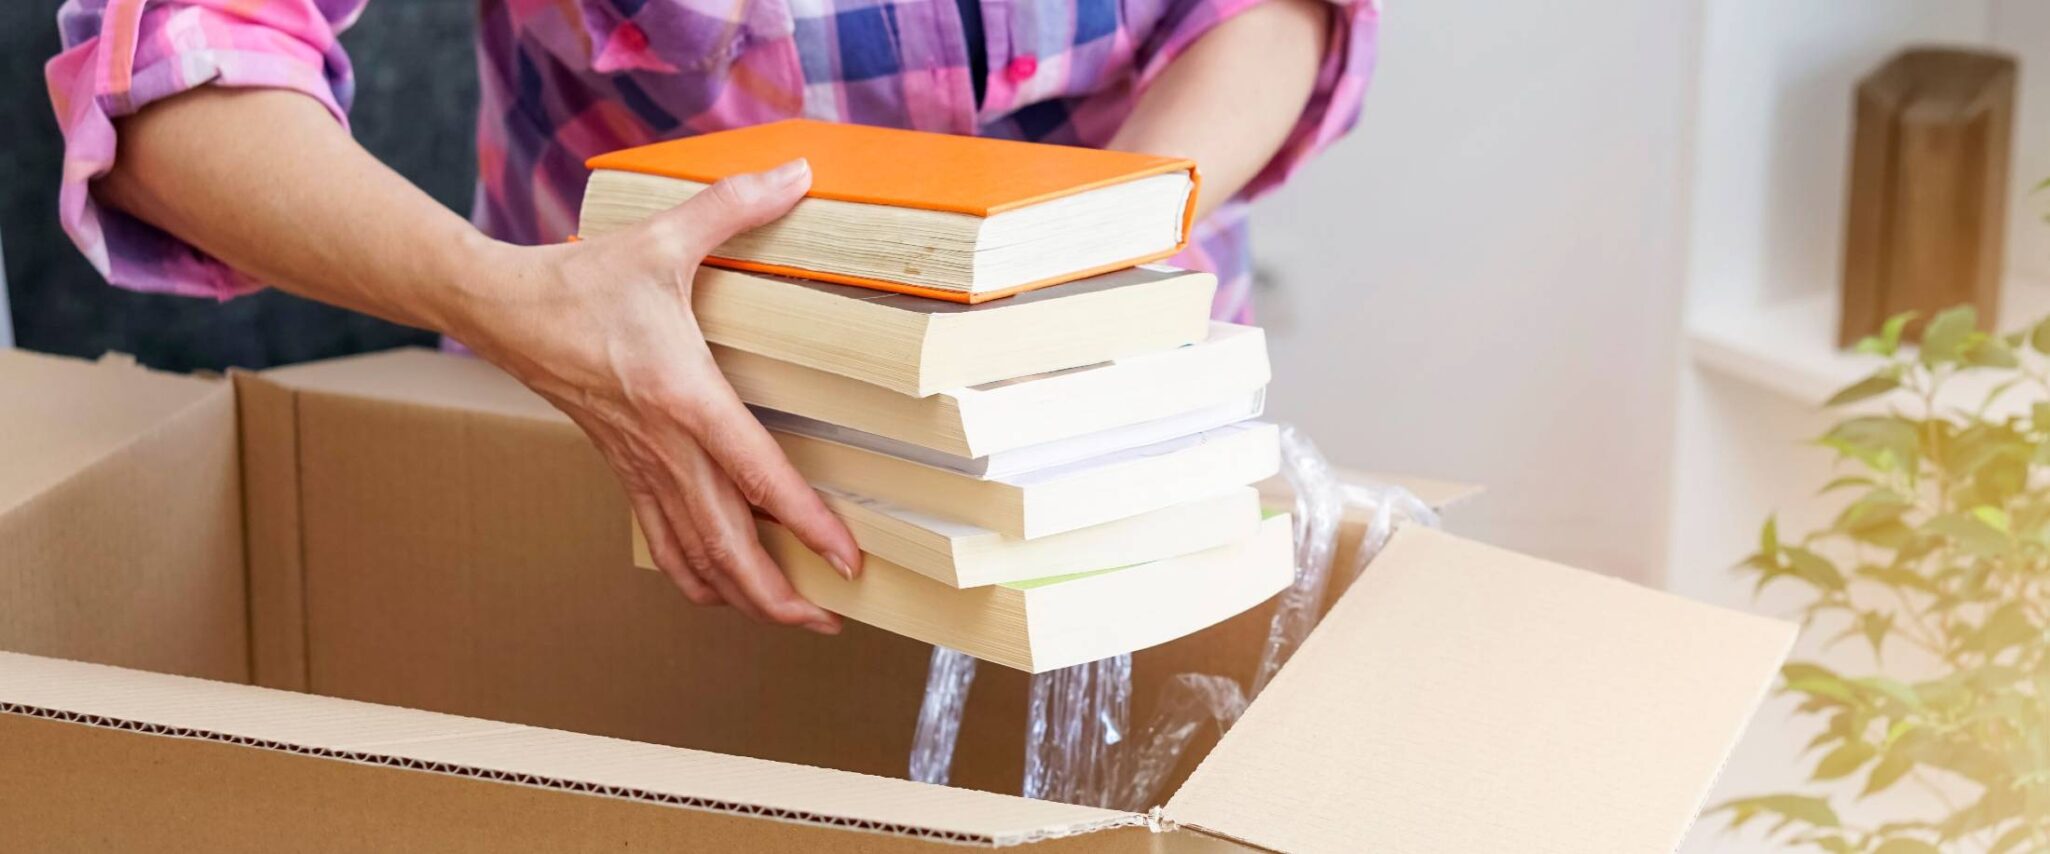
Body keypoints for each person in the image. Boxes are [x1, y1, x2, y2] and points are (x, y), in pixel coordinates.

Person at [46, 0, 1376, 635]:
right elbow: (167, 78)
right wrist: (500, 295)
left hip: (1112, 453)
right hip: (617, 456)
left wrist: (1096, 239)